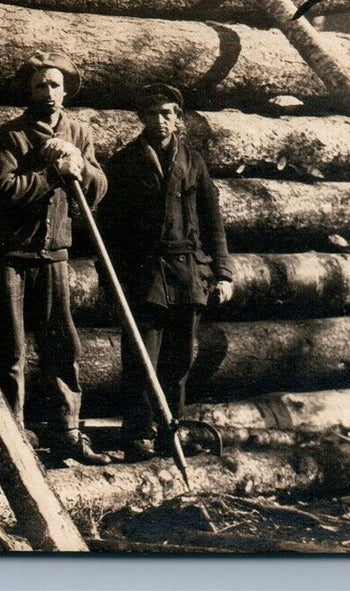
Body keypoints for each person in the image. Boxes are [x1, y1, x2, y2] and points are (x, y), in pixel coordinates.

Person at [0, 50, 110, 465]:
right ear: (29, 90)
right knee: (11, 349)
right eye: (41, 85)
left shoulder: (79, 132)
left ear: (66, 88)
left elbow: (96, 188)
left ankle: (68, 431)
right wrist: (50, 170)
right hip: (11, 254)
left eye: (56, 85)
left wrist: (80, 166)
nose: (49, 92)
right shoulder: (11, 135)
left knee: (62, 345)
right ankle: (12, 433)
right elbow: (5, 189)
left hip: (55, 251)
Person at [98, 83, 234, 462]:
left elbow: (213, 221)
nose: (160, 121)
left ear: (178, 118)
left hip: (189, 274)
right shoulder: (124, 163)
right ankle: (138, 433)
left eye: (167, 113)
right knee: (142, 357)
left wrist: (222, 273)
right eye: (152, 113)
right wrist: (113, 282)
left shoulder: (193, 161)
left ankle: (170, 429)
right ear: (141, 117)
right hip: (144, 276)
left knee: (179, 360)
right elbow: (109, 230)